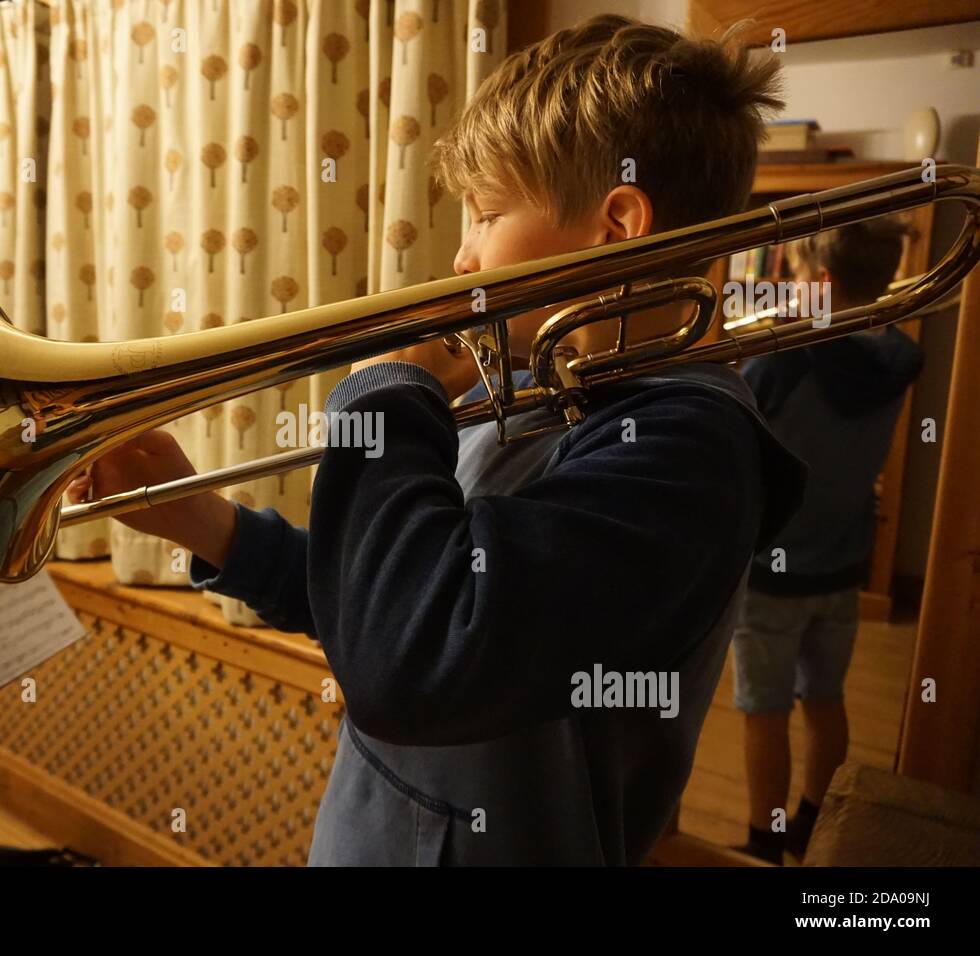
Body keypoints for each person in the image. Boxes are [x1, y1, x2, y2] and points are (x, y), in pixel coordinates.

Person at [70, 14, 805, 865]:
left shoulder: (688, 455)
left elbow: (410, 653)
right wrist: (204, 524)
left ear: (619, 224)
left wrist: (383, 394)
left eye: (485, 215)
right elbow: (384, 594)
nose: (461, 259)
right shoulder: (538, 382)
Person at [731, 219, 923, 864]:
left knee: (764, 709)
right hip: (844, 561)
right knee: (824, 697)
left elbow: (734, 432)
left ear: (823, 280)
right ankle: (813, 820)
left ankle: (763, 840)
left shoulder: (782, 355)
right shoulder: (898, 353)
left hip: (769, 568)